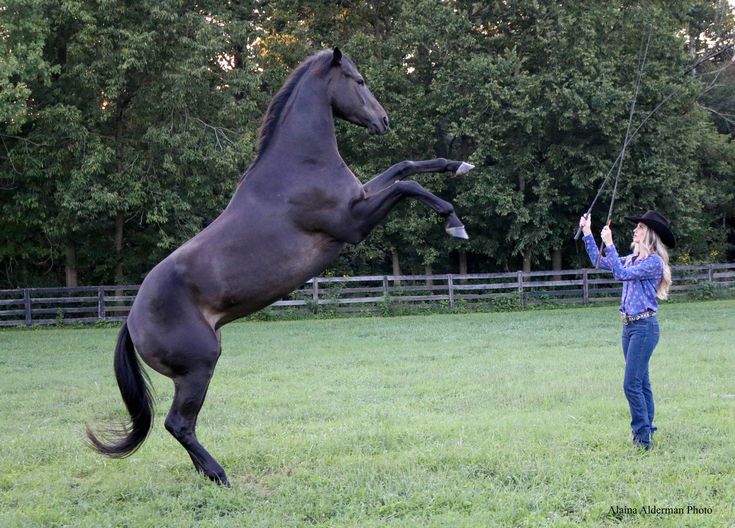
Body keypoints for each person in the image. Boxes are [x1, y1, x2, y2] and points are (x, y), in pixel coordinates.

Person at [578, 210, 675, 450]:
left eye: (640, 227)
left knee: (631, 384)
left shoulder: (653, 262)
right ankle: (647, 432)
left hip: (644, 327)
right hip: (629, 327)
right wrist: (588, 233)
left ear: (650, 234)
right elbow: (599, 263)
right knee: (641, 383)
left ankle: (642, 439)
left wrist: (610, 243)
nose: (635, 230)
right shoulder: (632, 259)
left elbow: (620, 275)